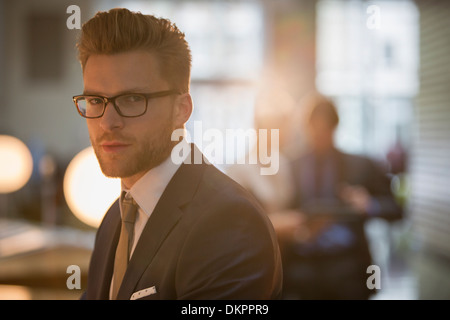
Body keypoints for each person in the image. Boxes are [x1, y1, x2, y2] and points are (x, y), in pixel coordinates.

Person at [73, 8, 282, 300]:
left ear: (181, 109)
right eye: (96, 100)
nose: (108, 122)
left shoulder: (229, 221)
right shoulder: (114, 218)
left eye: (133, 99)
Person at [281, 93, 403, 299]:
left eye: (325, 130)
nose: (319, 137)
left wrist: (368, 204)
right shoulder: (288, 165)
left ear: (335, 127)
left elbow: (397, 210)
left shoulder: (360, 165)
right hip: (301, 267)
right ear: (305, 128)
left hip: (348, 267)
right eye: (314, 130)